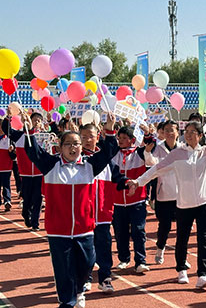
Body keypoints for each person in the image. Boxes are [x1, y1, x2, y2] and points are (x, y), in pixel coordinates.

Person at [23, 112, 118, 308]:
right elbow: (33, 152)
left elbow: (108, 151)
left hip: (84, 227)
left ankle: (80, 288)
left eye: (76, 144)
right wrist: (29, 130)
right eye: (68, 144)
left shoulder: (90, 166)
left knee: (87, 263)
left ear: (81, 147)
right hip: (59, 229)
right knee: (63, 269)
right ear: (60, 147)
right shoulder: (51, 166)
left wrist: (109, 129)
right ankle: (67, 301)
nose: (73, 147)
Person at [128, 117, 206, 288]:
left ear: (200, 135)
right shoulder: (177, 154)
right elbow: (156, 169)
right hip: (184, 204)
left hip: (204, 203)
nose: (189, 135)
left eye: (193, 132)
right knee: (182, 238)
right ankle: (181, 270)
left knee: (203, 239)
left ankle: (203, 274)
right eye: (187, 132)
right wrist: (138, 181)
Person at [81, 121, 128, 295]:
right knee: (86, 249)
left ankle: (105, 278)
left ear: (97, 137)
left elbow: (117, 178)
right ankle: (85, 278)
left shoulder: (106, 160)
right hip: (83, 214)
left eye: (90, 137)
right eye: (83, 137)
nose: (87, 140)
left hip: (102, 213)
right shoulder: (78, 160)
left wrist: (128, 183)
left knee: (104, 246)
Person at [109, 123, 150, 273]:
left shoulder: (139, 154)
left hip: (137, 200)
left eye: (124, 138)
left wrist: (147, 133)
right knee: (120, 232)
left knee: (138, 231)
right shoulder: (114, 154)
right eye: (119, 138)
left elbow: (151, 146)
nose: (120, 140)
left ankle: (140, 261)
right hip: (118, 202)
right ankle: (123, 258)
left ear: (132, 140)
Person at [143, 120, 184, 265]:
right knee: (164, 227)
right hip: (164, 195)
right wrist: (147, 153)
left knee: (182, 229)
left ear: (178, 132)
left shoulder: (183, 149)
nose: (169, 133)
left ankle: (181, 259)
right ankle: (160, 248)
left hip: (181, 196)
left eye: (172, 130)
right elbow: (151, 164)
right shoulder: (158, 148)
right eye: (166, 130)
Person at [2, 112, 44, 230]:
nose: (36, 123)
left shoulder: (43, 137)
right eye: (33, 120)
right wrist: (8, 116)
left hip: (39, 173)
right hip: (25, 174)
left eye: (38, 121)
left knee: (38, 199)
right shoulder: (20, 135)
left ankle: (35, 223)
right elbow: (6, 129)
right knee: (27, 198)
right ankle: (26, 214)